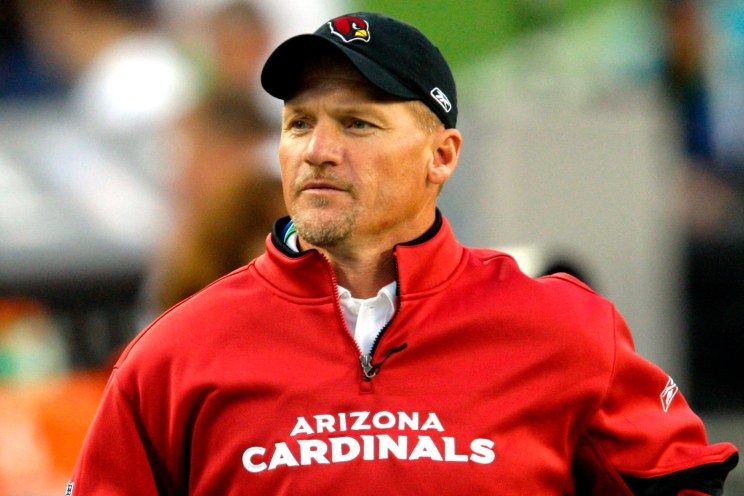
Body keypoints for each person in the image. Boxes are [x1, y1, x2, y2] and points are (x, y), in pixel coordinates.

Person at [68, 11, 738, 494]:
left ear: (441, 156)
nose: (317, 151)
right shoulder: (175, 352)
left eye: (358, 124)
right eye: (300, 123)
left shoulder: (562, 326)